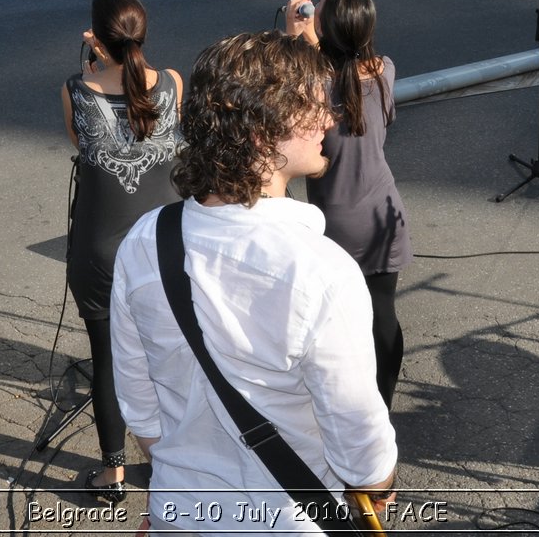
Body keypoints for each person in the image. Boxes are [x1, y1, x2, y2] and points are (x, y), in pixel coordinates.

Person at [110, 30, 398, 532]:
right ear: (263, 135)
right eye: (314, 108)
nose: (329, 120)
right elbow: (364, 461)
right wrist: (380, 492)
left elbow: (142, 413)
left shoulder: (143, 241)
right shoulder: (322, 272)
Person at [62, 0, 182, 505]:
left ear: (99, 38)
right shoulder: (174, 84)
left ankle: (112, 474)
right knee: (168, 359)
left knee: (108, 360)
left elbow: (81, 147)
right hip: (164, 249)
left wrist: (96, 65)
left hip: (100, 249)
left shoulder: (77, 89)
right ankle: (167, 463)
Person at [283, 0, 410, 406]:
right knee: (382, 316)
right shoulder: (384, 70)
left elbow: (289, 105)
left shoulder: (311, 84)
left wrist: (294, 37)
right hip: (382, 212)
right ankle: (381, 408)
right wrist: (318, 39)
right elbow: (353, 77)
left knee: (337, 325)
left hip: (333, 223)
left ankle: (341, 407)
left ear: (323, 24)